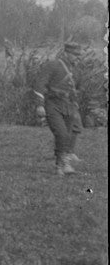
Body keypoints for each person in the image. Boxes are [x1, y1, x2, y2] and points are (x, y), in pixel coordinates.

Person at [30, 41, 85, 175]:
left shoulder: (77, 69)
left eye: (79, 55)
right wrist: (39, 105)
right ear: (66, 53)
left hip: (69, 105)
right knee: (61, 133)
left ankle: (62, 164)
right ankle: (62, 165)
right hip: (52, 103)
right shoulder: (53, 65)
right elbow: (39, 85)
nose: (77, 58)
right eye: (74, 55)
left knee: (69, 133)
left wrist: (75, 100)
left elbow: (79, 87)